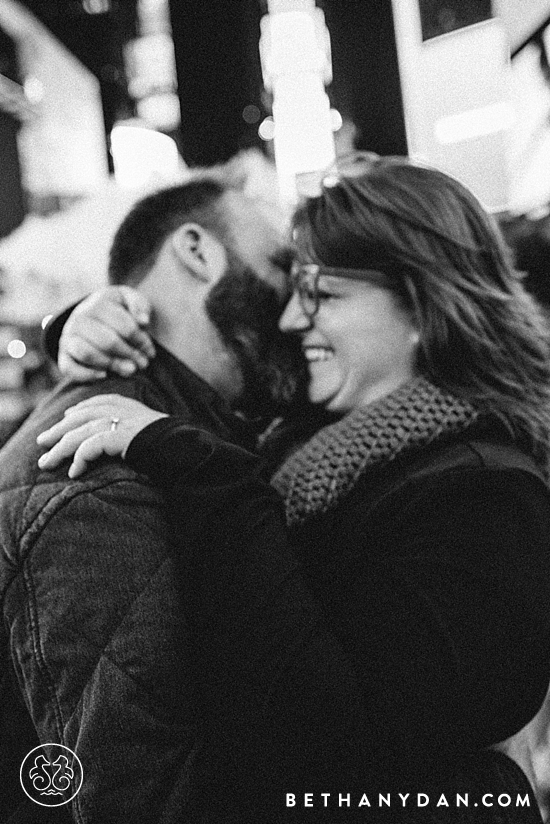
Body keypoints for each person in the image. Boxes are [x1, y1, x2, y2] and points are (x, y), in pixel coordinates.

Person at [37, 154, 550, 821]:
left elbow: (326, 745)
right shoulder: (301, 435)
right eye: (294, 291)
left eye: (323, 296)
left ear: (425, 307)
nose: (288, 321)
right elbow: (213, 360)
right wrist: (89, 323)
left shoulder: (487, 499)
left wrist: (211, 477)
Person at [0, 175, 305, 823]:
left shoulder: (194, 429)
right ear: (197, 250)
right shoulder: (91, 465)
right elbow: (142, 794)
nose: (295, 305)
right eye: (281, 263)